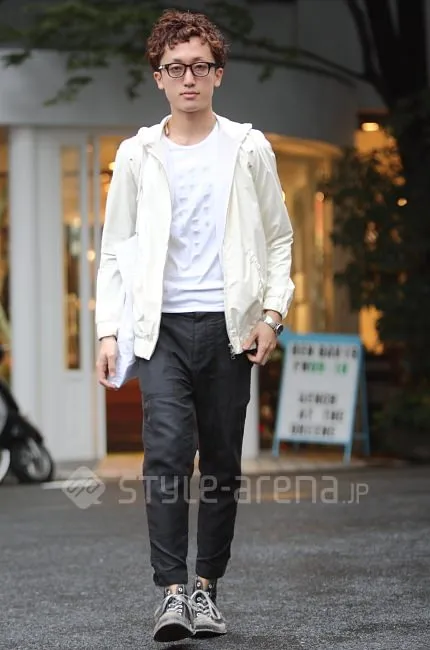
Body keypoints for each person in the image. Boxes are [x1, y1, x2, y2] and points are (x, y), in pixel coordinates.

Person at [95, 8, 294, 643]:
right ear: (158, 76)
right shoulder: (137, 154)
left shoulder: (248, 148)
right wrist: (108, 329)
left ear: (218, 74)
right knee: (166, 455)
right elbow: (115, 248)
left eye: (200, 66)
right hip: (161, 330)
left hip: (231, 330)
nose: (188, 78)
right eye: (175, 67)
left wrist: (272, 314)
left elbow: (280, 238)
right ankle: (172, 594)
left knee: (223, 462)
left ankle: (206, 589)